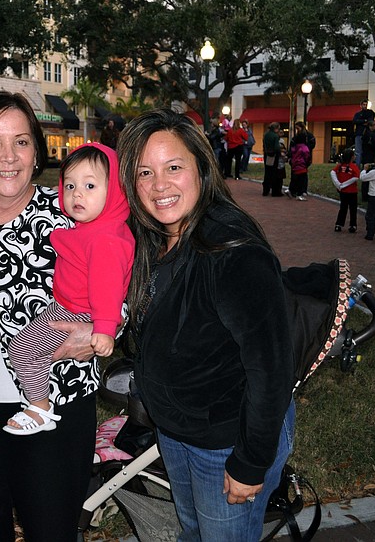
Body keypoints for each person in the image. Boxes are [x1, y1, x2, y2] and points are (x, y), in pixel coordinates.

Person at [117, 108, 295, 541]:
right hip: (177, 430)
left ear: (201, 166)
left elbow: (271, 370)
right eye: (144, 172)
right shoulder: (154, 237)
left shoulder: (232, 250)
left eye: (173, 167)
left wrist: (250, 461)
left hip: (226, 440)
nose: (160, 185)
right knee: (193, 531)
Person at [0, 91, 101, 541]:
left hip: (52, 412)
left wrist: (97, 330)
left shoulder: (70, 210)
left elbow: (120, 282)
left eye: (21, 142)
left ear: (38, 152)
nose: (8, 156)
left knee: (51, 531)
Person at [5, 143, 134, 435]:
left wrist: (103, 328)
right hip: (67, 305)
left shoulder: (105, 239)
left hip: (76, 312)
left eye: (90, 185)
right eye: (71, 185)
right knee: (29, 350)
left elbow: (108, 288)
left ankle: (40, 407)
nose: (77, 194)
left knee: (23, 350)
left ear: (114, 190)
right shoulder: (94, 228)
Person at [330, 148, 361, 233]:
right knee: (353, 209)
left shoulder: (340, 166)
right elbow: (356, 177)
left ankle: (339, 224)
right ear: (351, 157)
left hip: (343, 191)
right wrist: (343, 185)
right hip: (352, 191)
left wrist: (339, 184)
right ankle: (353, 225)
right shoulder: (353, 167)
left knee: (343, 208)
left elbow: (332, 172)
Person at [287, 122, 311, 200]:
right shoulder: (305, 148)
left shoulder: (295, 147)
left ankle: (291, 190)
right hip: (302, 165)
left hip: (295, 164)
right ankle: (300, 194)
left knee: (294, 179)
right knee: (302, 180)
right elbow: (307, 157)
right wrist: (307, 163)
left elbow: (291, 152)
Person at [360, 120, 375, 201]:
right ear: (370, 126)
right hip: (371, 156)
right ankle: (367, 195)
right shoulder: (372, 135)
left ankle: (365, 195)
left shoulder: (366, 134)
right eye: (374, 125)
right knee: (369, 175)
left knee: (366, 175)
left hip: (366, 156)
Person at [262, 122, 284, 197]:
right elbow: (276, 147)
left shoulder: (266, 135)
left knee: (267, 172)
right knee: (274, 173)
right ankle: (275, 192)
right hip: (274, 155)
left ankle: (265, 190)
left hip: (267, 154)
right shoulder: (275, 136)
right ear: (276, 128)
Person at [353, 99, 375, 166]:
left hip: (367, 134)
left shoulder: (370, 113)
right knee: (358, 151)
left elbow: (370, 121)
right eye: (363, 104)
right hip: (359, 133)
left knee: (366, 151)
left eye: (366, 105)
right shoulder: (357, 114)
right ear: (361, 105)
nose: (365, 106)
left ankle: (365, 165)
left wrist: (362, 121)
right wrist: (364, 121)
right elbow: (354, 121)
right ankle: (357, 166)